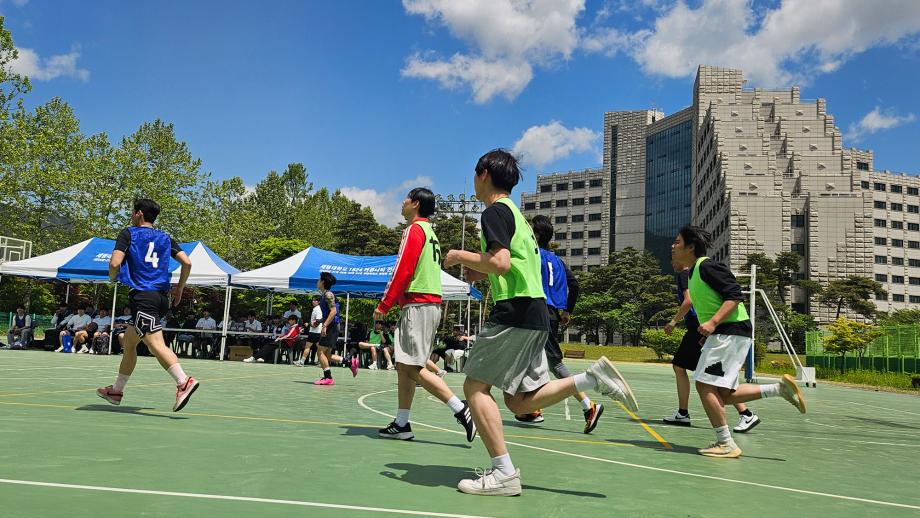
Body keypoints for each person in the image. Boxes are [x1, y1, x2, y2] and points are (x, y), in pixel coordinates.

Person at [443, 149, 638, 496]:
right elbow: (508, 265)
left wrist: (459, 256)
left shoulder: (494, 213)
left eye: (475, 173)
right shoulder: (516, 216)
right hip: (535, 314)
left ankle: (503, 472)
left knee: (475, 388)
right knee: (520, 402)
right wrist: (479, 269)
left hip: (515, 312)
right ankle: (592, 378)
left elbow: (501, 262)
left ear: (484, 173)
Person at [671, 225, 806, 458]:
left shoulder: (707, 266)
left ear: (690, 247)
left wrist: (713, 323)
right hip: (727, 333)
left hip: (729, 331)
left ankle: (726, 443)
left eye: (677, 242)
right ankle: (778, 389)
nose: (673, 246)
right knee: (722, 394)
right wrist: (707, 333)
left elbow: (734, 295)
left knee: (703, 385)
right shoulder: (692, 273)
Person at [374, 187, 476, 442]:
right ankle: (402, 423)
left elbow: (402, 270)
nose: (403, 202)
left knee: (413, 367)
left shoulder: (414, 230)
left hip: (418, 305)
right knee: (403, 366)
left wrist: (384, 305)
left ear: (416, 204)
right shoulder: (431, 232)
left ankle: (461, 409)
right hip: (427, 304)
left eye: (407, 198)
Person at [96, 198, 199, 412]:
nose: (131, 215)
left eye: (133, 212)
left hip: (143, 297)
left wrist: (112, 277)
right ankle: (116, 390)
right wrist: (179, 288)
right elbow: (187, 262)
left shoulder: (129, 233)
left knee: (155, 345)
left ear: (139, 213)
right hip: (160, 297)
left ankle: (183, 382)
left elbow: (114, 263)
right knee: (129, 342)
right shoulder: (165, 237)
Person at [513, 215, 604, 434]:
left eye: (529, 229)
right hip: (551, 313)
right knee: (532, 361)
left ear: (537, 235)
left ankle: (588, 405)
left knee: (554, 363)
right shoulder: (558, 261)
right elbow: (575, 285)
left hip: (537, 313)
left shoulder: (533, 256)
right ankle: (532, 409)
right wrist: (567, 311)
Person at [663, 258, 760, 432]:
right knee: (716, 372)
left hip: (699, 327)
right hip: (705, 328)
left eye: (675, 255)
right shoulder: (693, 273)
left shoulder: (687, 274)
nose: (672, 261)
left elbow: (688, 301)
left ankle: (684, 413)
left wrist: (673, 321)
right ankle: (746, 414)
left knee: (683, 368)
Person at [314, 272, 355, 384]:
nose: (317, 281)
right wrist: (319, 322)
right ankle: (349, 363)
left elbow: (333, 312)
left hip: (332, 326)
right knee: (327, 355)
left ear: (322, 281)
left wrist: (325, 326)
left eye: (319, 279)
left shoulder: (328, 294)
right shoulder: (325, 295)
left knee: (320, 352)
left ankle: (328, 378)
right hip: (332, 325)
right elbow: (329, 313)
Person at [294, 296, 323, 366]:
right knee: (318, 348)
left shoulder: (318, 309)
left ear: (318, 302)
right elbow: (315, 321)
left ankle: (302, 362)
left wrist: (311, 325)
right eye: (313, 300)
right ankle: (302, 361)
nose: (313, 301)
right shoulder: (316, 309)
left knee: (309, 347)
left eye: (315, 300)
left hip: (315, 332)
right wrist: (309, 324)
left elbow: (318, 320)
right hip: (315, 331)